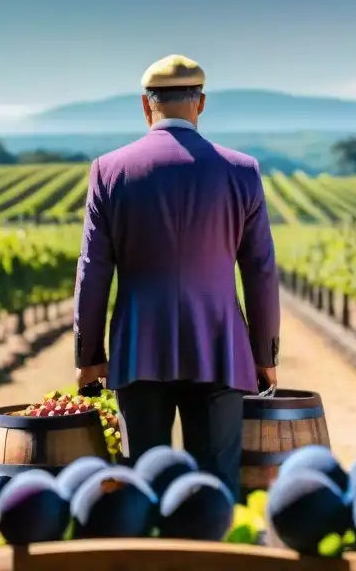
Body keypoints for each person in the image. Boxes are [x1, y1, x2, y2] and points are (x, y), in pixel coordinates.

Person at [72, 54, 281, 497]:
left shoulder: (109, 171)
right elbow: (260, 269)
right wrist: (263, 353)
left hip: (138, 349)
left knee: (141, 489)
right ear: (200, 104)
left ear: (145, 106)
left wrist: (88, 354)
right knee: (215, 489)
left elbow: (93, 269)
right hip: (222, 349)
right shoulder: (242, 171)